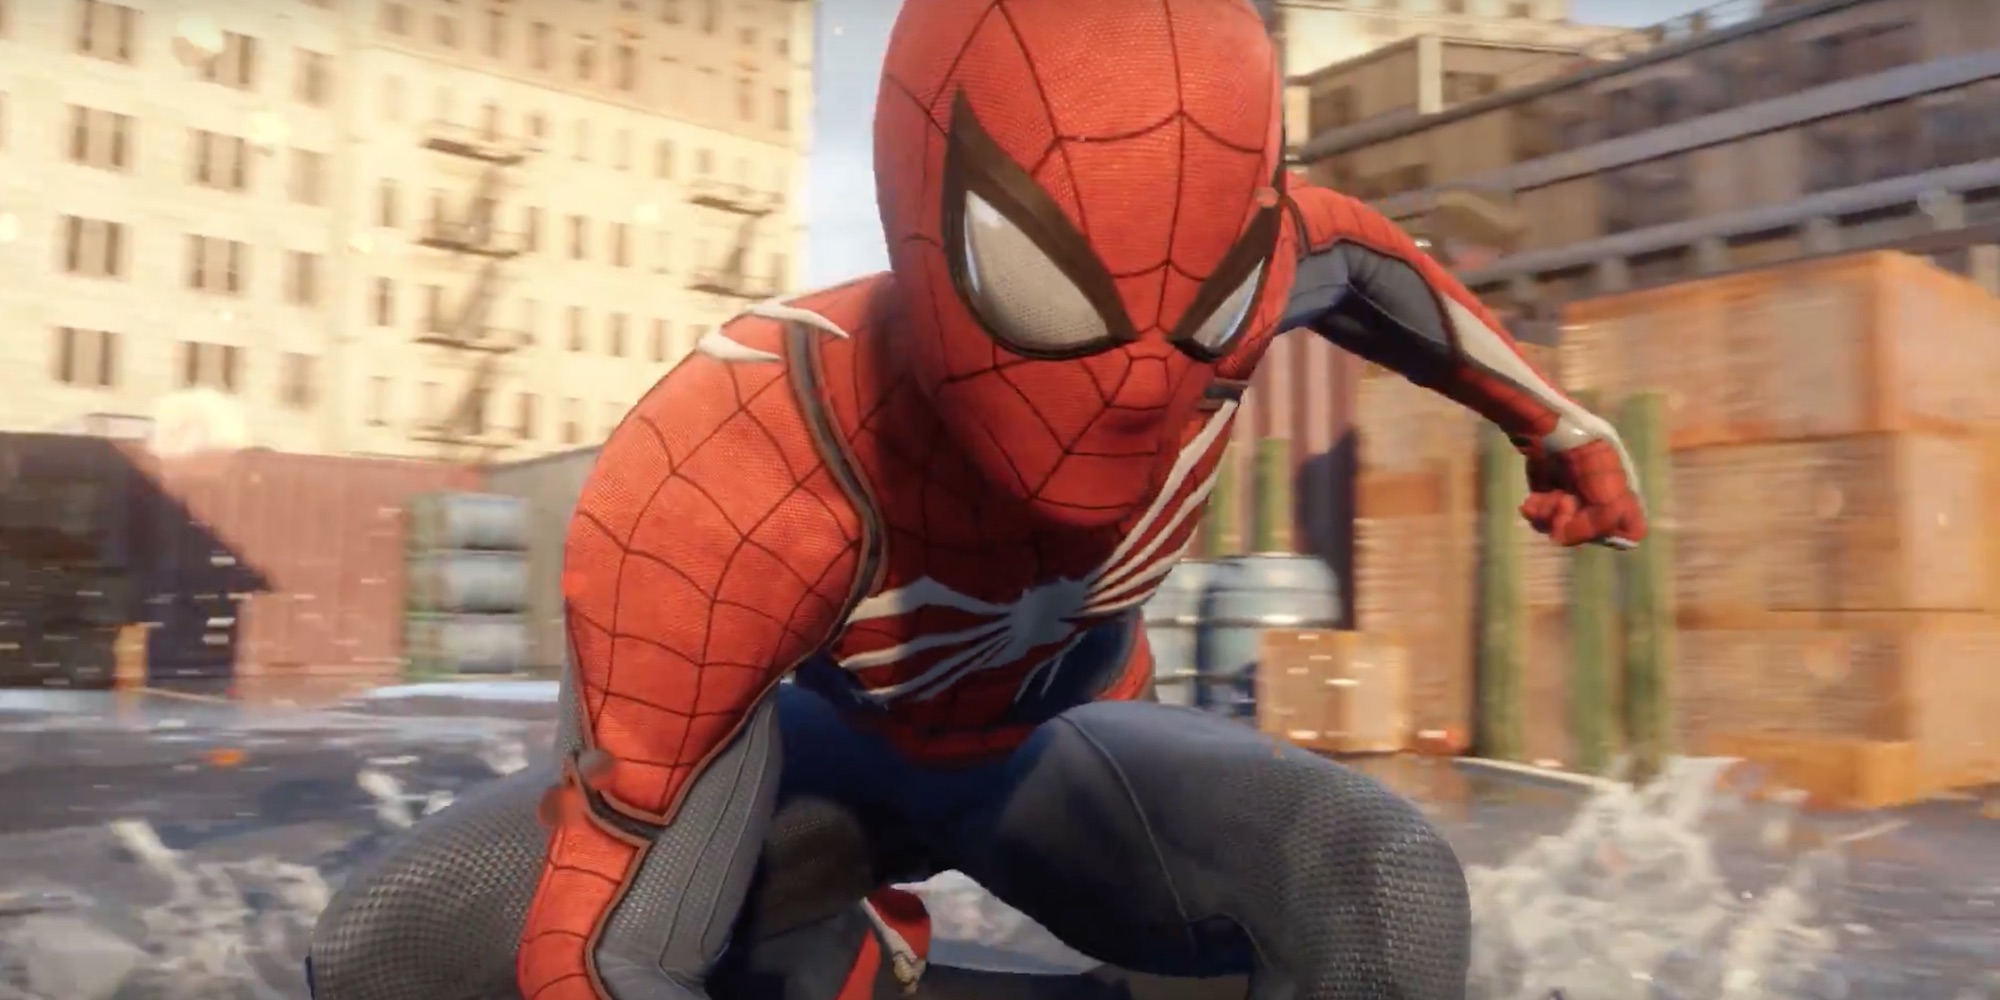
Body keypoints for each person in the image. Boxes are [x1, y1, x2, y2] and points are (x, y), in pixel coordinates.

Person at [306, 2, 1648, 1000]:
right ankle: (836, 958)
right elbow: (597, 946)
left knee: (1384, 888)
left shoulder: (1250, 271)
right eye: (1050, 288)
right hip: (796, 768)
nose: (1142, 386)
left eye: (1206, 305)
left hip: (1057, 750)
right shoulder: (741, 449)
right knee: (392, 952)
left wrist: (1554, 421)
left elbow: (1356, 261)